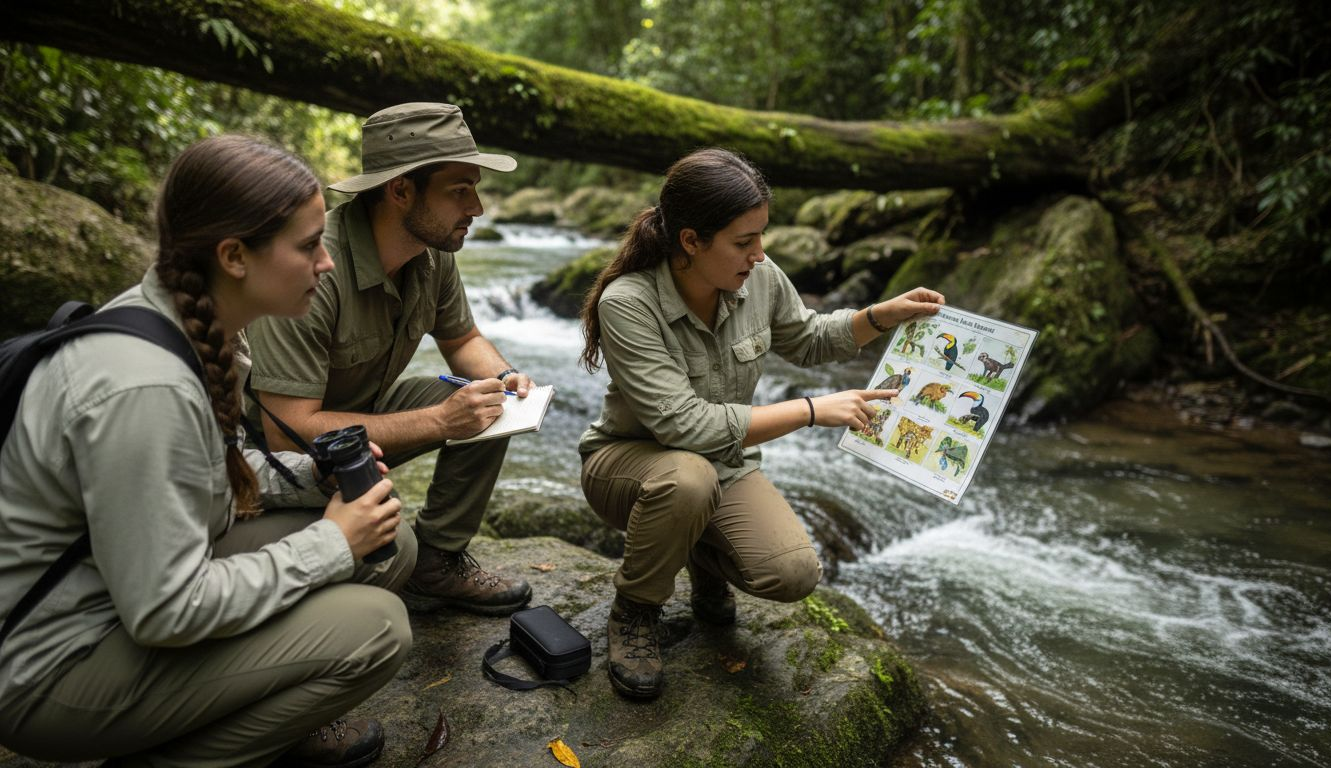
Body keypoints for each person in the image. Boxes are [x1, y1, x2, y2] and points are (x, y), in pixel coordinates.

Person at [0, 135, 412, 767]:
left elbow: (195, 477)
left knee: (388, 541)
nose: (327, 263)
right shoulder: (144, 386)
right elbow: (166, 611)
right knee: (378, 626)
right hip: (50, 667)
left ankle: (234, 702)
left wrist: (314, 478)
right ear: (234, 256)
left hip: (113, 589)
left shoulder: (195, 326)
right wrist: (330, 543)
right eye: (308, 246)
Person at [577, 148, 945, 700]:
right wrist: (812, 411)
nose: (760, 253)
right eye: (744, 242)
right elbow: (681, 425)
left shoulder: (761, 277)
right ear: (691, 242)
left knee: (793, 574)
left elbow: (809, 337)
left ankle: (700, 554)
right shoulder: (627, 303)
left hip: (722, 468)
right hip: (631, 469)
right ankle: (635, 610)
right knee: (687, 479)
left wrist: (879, 316)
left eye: (761, 237)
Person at [245, 103, 534, 616]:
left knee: (491, 405)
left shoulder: (434, 251)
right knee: (391, 534)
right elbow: (286, 431)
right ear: (400, 190)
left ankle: (438, 561)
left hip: (365, 421)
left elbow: (463, 338)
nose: (478, 208)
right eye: (459, 190)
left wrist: (505, 378)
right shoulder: (314, 268)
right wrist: (441, 420)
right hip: (282, 461)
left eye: (475, 188)